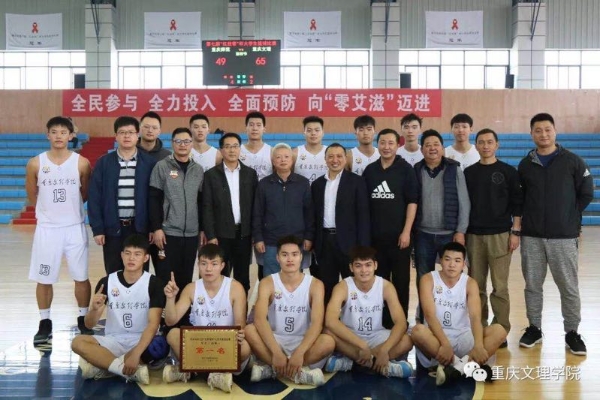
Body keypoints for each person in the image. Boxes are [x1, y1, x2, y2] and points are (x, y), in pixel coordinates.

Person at [517, 113, 593, 355]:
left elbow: (586, 192)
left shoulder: (573, 161)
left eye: (547, 129)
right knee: (532, 286)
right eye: (538, 130)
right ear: (532, 134)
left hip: (563, 237)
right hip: (532, 237)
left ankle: (572, 333)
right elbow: (520, 198)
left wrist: (569, 216)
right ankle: (534, 328)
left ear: (555, 131)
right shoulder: (525, 165)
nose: (543, 134)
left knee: (568, 286)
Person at [27, 116, 93, 344]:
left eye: (63, 132)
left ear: (71, 135)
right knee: (44, 277)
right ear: (47, 135)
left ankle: (83, 318)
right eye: (54, 132)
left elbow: (85, 193)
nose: (58, 136)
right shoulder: (35, 163)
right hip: (47, 229)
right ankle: (45, 322)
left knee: (81, 276)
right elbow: (32, 194)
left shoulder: (81, 163)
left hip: (74, 227)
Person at [71, 234, 165, 385]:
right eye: (127, 253)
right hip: (113, 340)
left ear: (146, 258)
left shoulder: (154, 284)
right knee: (77, 342)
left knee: (160, 345)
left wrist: (137, 353)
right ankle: (122, 369)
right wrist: (93, 309)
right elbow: (89, 325)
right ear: (122, 255)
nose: (131, 258)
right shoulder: (107, 282)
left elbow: (153, 324)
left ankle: (105, 366)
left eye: (137, 254)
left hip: (141, 340)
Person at [410, 242, 506, 386]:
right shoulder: (428, 279)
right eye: (447, 259)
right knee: (417, 331)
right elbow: (429, 316)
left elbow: (475, 317)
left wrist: (478, 345)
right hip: (436, 339)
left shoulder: (470, 283)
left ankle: (455, 369)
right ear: (440, 261)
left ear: (463, 264)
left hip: (463, 336)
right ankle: (468, 365)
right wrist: (445, 344)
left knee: (499, 330)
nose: (452, 265)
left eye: (457, 260)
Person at [244, 236, 335, 386]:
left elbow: (317, 323)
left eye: (294, 254)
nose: (290, 259)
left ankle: (273, 369)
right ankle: (298, 372)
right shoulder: (267, 282)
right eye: (284, 255)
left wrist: (299, 353)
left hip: (303, 341)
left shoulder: (315, 284)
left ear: (301, 257)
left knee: (328, 342)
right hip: (275, 341)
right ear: (277, 258)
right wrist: (276, 353)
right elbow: (259, 320)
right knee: (249, 330)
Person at [161, 244, 251, 392]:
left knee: (245, 348)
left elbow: (240, 324)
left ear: (222, 266)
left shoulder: (235, 288)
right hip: (199, 344)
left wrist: (240, 333)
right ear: (198, 265)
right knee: (173, 334)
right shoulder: (191, 288)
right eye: (204, 264)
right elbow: (171, 321)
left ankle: (192, 372)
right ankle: (214, 376)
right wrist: (170, 298)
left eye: (214, 264)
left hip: (223, 344)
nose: (208, 269)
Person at [464, 128, 523, 345]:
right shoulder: (469, 173)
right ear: (476, 146)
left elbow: (517, 204)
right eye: (481, 142)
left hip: (500, 235)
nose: (486, 146)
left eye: (490, 142)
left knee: (500, 287)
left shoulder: (508, 171)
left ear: (497, 145)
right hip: (474, 236)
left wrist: (515, 232)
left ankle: (500, 329)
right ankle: (479, 327)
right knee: (476, 287)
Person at [324, 245, 414, 378]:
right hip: (351, 337)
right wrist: (362, 346)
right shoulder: (343, 286)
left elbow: (400, 322)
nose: (364, 270)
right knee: (327, 331)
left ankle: (352, 363)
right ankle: (382, 366)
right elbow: (330, 321)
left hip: (375, 335)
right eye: (358, 265)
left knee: (407, 340)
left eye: (368, 265)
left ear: (375, 265)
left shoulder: (385, 286)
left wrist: (384, 349)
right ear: (351, 267)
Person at [88, 116, 156, 274]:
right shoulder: (104, 163)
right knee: (113, 272)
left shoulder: (149, 163)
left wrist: (153, 227)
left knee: (139, 272)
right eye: (122, 132)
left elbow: (155, 199)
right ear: (116, 136)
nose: (127, 136)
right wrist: (98, 229)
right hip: (113, 228)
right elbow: (94, 197)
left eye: (131, 132)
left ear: (137, 135)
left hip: (140, 228)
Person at [363, 129, 418, 320]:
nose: (386, 147)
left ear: (398, 145)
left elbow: (412, 202)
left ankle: (400, 321)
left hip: (399, 239)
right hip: (375, 239)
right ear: (377, 144)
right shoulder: (370, 170)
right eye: (383, 143)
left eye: (391, 143)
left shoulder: (406, 170)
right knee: (379, 281)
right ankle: (382, 320)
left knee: (401, 281)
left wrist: (406, 232)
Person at [312, 143, 370, 303]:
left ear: (346, 159)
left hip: (350, 243)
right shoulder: (317, 184)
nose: (335, 160)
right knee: (326, 287)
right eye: (330, 156)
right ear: (325, 159)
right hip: (325, 243)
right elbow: (313, 216)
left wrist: (363, 247)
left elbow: (363, 216)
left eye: (339, 156)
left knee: (352, 286)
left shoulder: (357, 182)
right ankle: (329, 317)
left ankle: (352, 317)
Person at [149, 127, 204, 293]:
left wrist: (201, 229)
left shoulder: (198, 169)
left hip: (191, 234)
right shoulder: (162, 166)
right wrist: (157, 228)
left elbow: (201, 202)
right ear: (172, 143)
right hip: (168, 233)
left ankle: (183, 309)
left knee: (186, 278)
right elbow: (154, 199)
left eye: (186, 141)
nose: (182, 145)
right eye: (178, 141)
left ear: (192, 144)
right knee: (165, 278)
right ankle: (165, 309)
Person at [203, 132, 258, 294]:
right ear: (221, 150)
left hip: (244, 234)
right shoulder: (211, 175)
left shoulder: (250, 174)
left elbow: (255, 206)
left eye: (235, 146)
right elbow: (207, 207)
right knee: (220, 275)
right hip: (220, 235)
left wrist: (255, 233)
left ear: (240, 149)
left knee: (243, 276)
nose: (232, 150)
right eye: (227, 147)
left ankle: (241, 308)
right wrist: (211, 235)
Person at [413, 130, 470, 286]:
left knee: (453, 276)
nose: (432, 148)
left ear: (443, 148)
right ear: (421, 150)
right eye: (428, 145)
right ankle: (426, 304)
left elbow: (464, 202)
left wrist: (461, 231)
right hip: (423, 235)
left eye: (436, 144)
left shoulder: (454, 169)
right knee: (423, 277)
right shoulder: (416, 170)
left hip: (449, 234)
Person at [252, 144, 314, 276]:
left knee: (295, 279)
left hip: (296, 240)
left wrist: (309, 236)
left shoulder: (303, 183)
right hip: (271, 241)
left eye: (286, 157)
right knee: (271, 280)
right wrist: (258, 238)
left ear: (292, 160)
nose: (283, 160)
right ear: (273, 161)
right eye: (278, 157)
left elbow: (309, 213)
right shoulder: (264, 184)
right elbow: (257, 213)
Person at [293, 115, 327, 184]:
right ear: (304, 133)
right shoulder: (295, 153)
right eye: (309, 130)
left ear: (323, 132)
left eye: (317, 130)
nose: (313, 133)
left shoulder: (330, 153)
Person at [240, 111, 273, 181]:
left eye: (258, 125)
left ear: (264, 129)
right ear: (246, 128)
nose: (255, 128)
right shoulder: (238, 151)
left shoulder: (271, 151)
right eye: (251, 125)